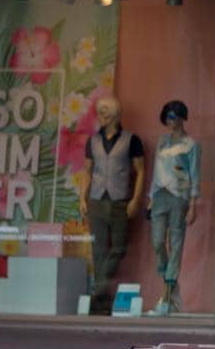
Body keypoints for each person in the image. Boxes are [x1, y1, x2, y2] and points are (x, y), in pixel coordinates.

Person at [79, 96, 144, 315]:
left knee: (118, 247)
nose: (101, 115)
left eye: (105, 111)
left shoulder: (131, 140)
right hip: (97, 199)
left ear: (116, 114)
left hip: (119, 201)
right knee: (98, 251)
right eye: (99, 112)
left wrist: (135, 200)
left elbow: (141, 171)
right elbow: (87, 172)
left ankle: (99, 289)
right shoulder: (93, 141)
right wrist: (82, 198)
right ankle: (101, 303)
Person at [146, 99, 200, 316]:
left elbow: (195, 174)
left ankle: (167, 295)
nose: (170, 121)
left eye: (174, 116)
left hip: (180, 196)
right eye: (167, 116)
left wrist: (193, 204)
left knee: (175, 243)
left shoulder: (191, 145)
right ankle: (171, 288)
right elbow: (155, 171)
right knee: (158, 241)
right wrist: (150, 197)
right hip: (159, 195)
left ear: (181, 117)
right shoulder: (161, 142)